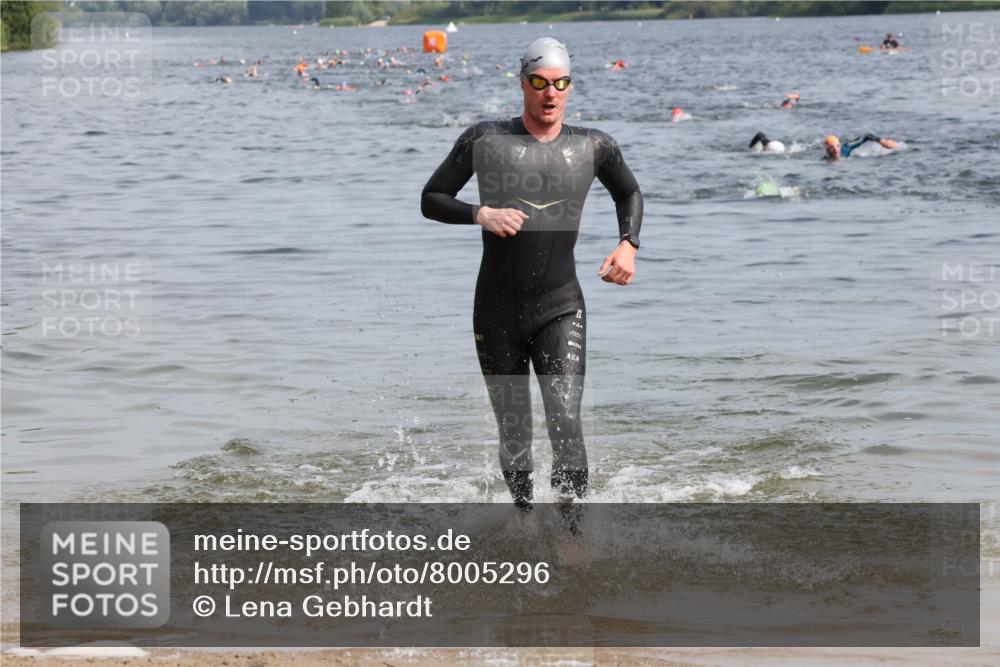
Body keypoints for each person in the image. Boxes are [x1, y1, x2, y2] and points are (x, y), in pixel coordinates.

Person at [421, 37, 643, 510]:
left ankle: (571, 533)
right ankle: (523, 519)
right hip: (496, 311)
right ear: (522, 83)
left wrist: (628, 243)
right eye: (540, 82)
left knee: (565, 421)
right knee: (515, 431)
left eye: (560, 83)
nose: (550, 93)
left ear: (570, 86)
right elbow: (431, 198)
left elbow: (629, 193)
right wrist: (481, 214)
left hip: (560, 306)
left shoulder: (594, 146)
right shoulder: (486, 140)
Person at [824, 133, 898, 160]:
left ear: (840, 145)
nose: (836, 149)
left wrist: (882, 141)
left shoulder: (846, 148)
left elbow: (866, 135)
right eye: (832, 147)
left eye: (837, 146)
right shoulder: (825, 160)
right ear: (827, 149)